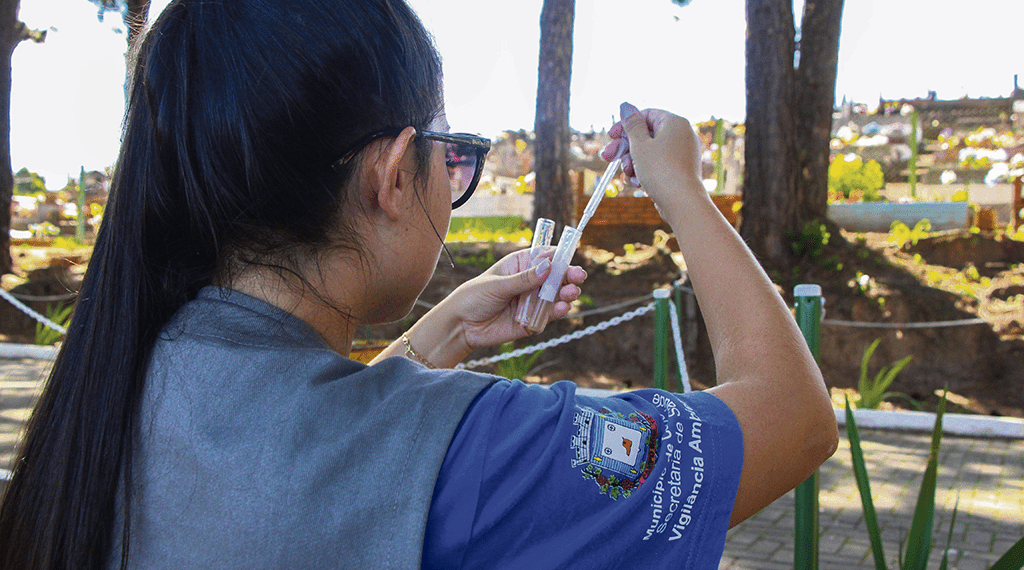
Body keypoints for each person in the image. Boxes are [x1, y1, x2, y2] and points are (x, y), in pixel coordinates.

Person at [0, 0, 838, 568]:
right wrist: (680, 190)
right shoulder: (484, 454)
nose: (454, 174)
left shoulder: (118, 385)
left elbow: (323, 442)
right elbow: (794, 421)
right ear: (393, 176)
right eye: (452, 150)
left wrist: (446, 336)